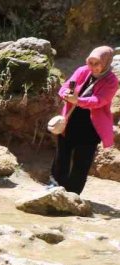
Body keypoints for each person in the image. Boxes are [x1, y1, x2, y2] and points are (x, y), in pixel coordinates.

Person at [50, 46, 118, 195]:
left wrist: (78, 100)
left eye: (96, 63)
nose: (92, 67)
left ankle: (73, 193)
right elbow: (69, 85)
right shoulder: (82, 71)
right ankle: (55, 186)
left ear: (106, 63)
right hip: (71, 121)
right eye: (90, 62)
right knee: (62, 154)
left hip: (91, 127)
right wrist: (66, 93)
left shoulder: (111, 81)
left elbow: (99, 100)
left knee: (82, 161)